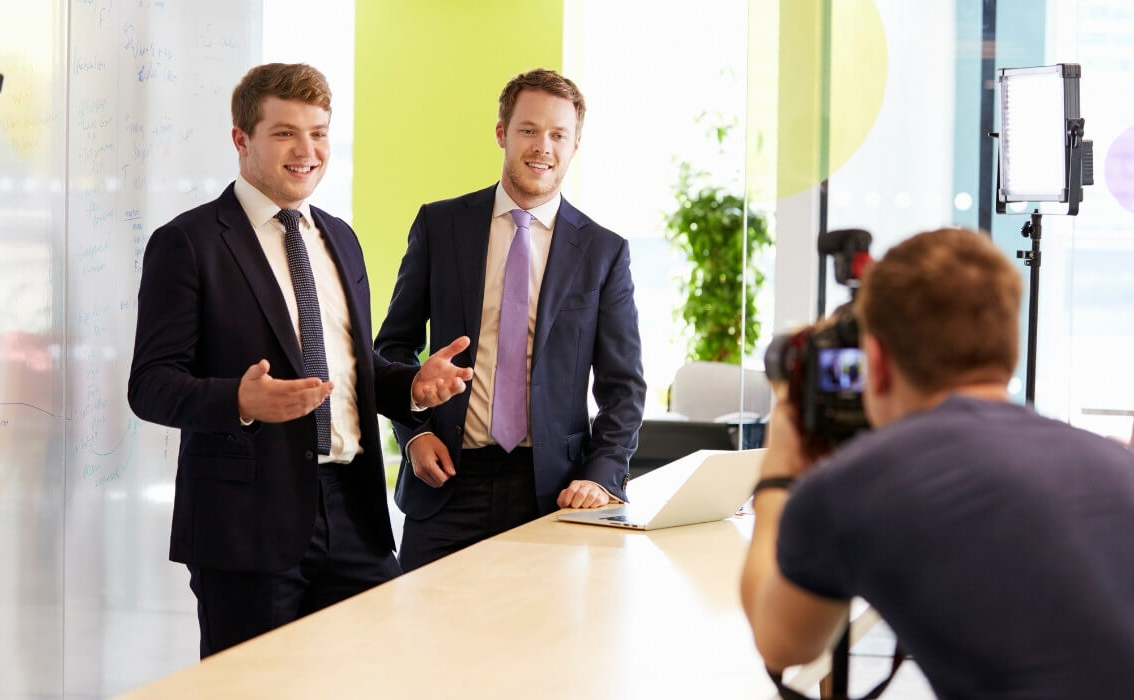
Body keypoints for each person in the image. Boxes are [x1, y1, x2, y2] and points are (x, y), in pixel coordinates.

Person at [127, 63, 472, 657]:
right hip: (245, 527)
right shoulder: (188, 242)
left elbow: (352, 369)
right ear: (242, 139)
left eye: (319, 132)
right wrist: (238, 399)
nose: (307, 150)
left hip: (355, 514)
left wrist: (413, 386)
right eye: (286, 133)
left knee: (373, 676)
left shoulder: (340, 236)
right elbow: (151, 384)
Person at [741, 228, 1134, 698]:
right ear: (1007, 354)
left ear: (878, 362)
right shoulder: (1113, 461)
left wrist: (780, 474)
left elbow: (783, 645)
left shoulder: (857, 484)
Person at [374, 68, 646, 571]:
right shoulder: (441, 226)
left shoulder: (604, 252)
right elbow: (392, 349)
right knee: (421, 643)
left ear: (576, 143)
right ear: (502, 133)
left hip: (552, 494)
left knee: (536, 645)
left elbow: (623, 387)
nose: (542, 146)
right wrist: (412, 433)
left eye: (558, 134)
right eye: (528, 129)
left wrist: (602, 475)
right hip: (447, 483)